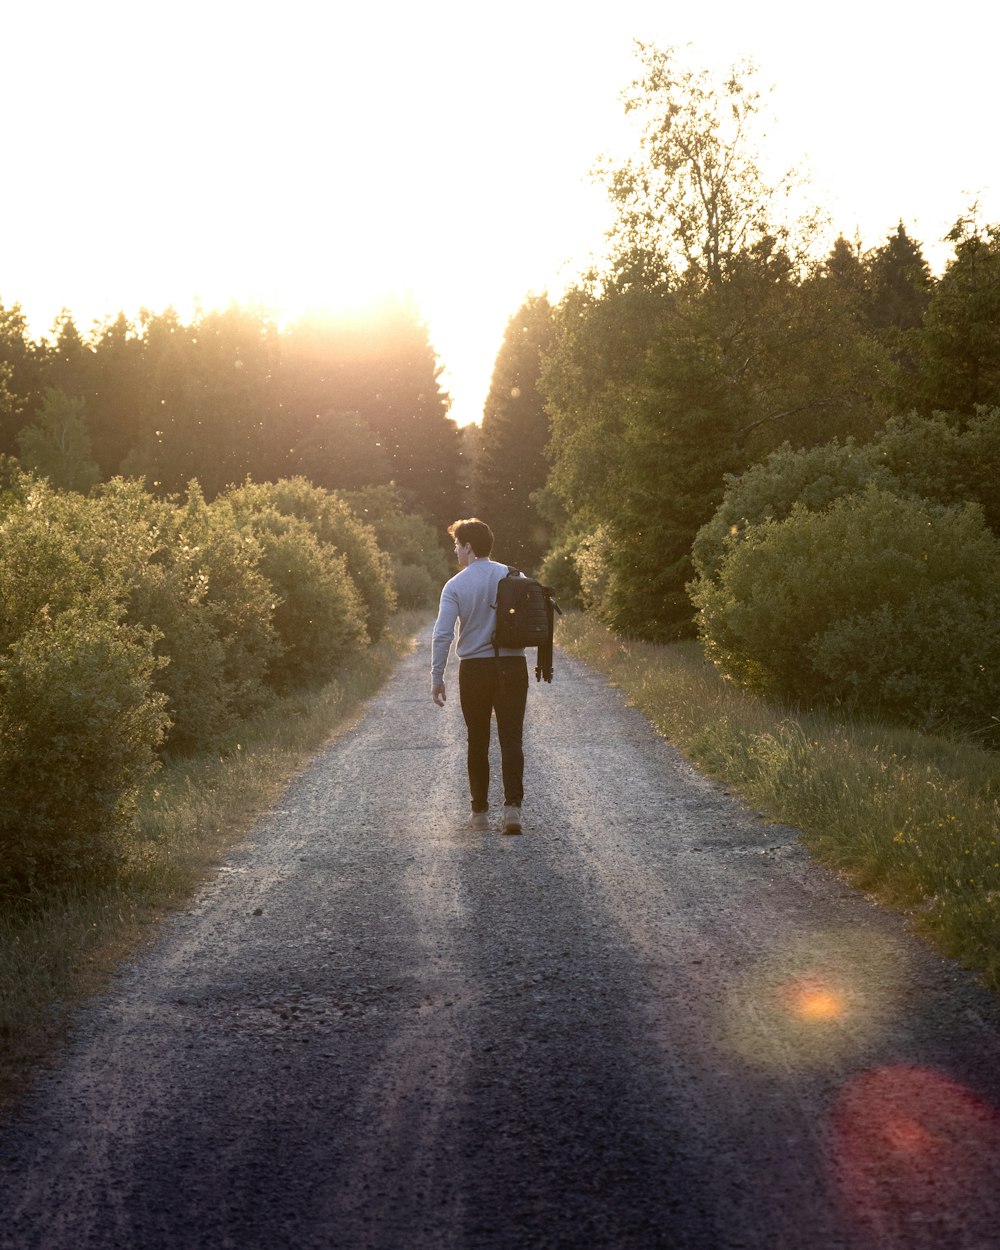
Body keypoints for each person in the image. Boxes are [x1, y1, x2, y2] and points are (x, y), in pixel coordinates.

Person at [431, 518, 528, 834]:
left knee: (478, 739)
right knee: (511, 737)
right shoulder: (514, 576)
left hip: (475, 669)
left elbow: (443, 634)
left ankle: (480, 814)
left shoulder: (456, 585)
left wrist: (437, 675)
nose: (456, 551)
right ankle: (512, 811)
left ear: (468, 547)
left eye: (457, 545)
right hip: (512, 666)